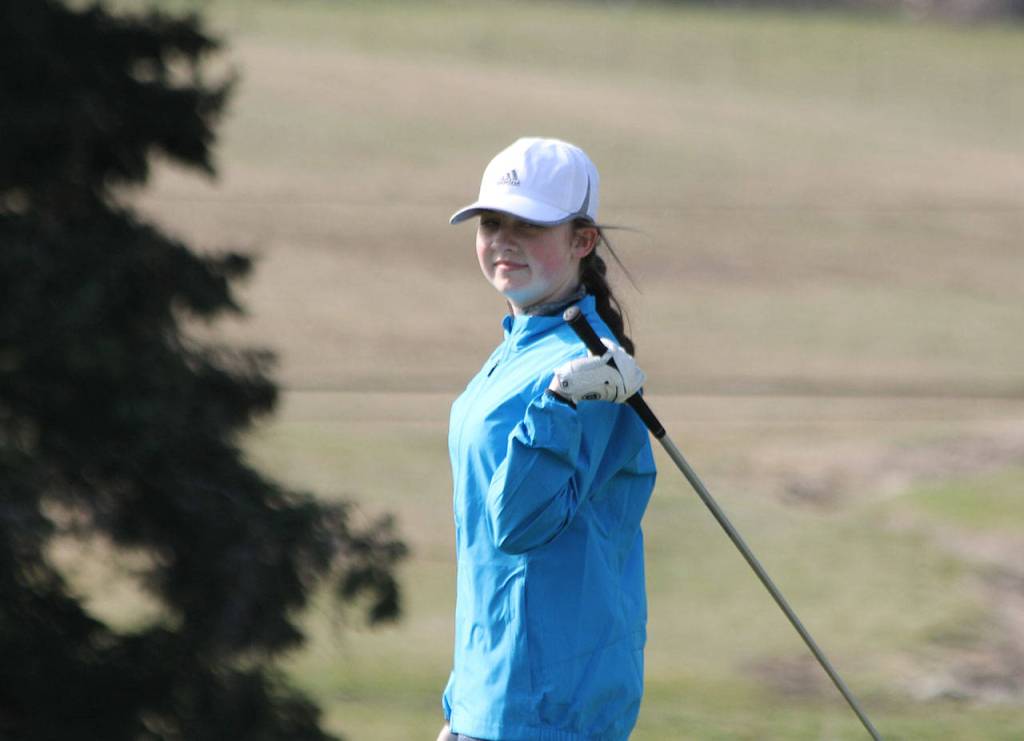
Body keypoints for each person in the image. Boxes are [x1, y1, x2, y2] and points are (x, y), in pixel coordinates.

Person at [437, 137, 657, 741]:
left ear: (582, 240)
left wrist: (562, 398)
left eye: (529, 225)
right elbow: (484, 558)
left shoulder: (594, 372)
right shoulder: (514, 352)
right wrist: (461, 706)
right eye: (491, 222)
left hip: (555, 712)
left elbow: (519, 525)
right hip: (495, 704)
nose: (504, 241)